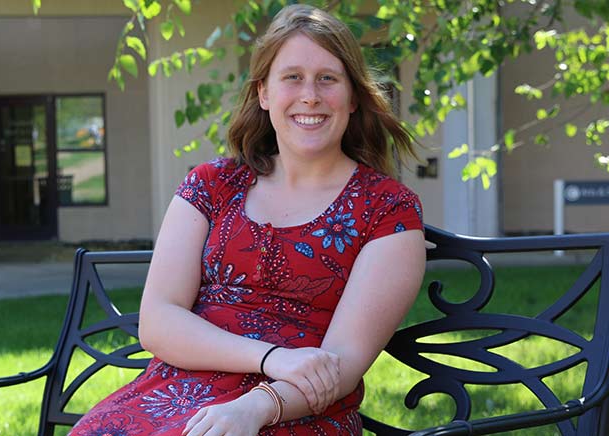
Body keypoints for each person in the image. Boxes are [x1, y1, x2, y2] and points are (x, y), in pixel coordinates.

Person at [69, 4, 426, 435]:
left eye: (327, 79)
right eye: (292, 77)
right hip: (173, 393)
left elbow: (342, 367)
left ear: (352, 97)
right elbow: (159, 320)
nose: (310, 95)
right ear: (264, 93)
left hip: (297, 408)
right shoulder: (212, 185)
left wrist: (254, 407)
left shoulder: (387, 210)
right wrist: (270, 357)